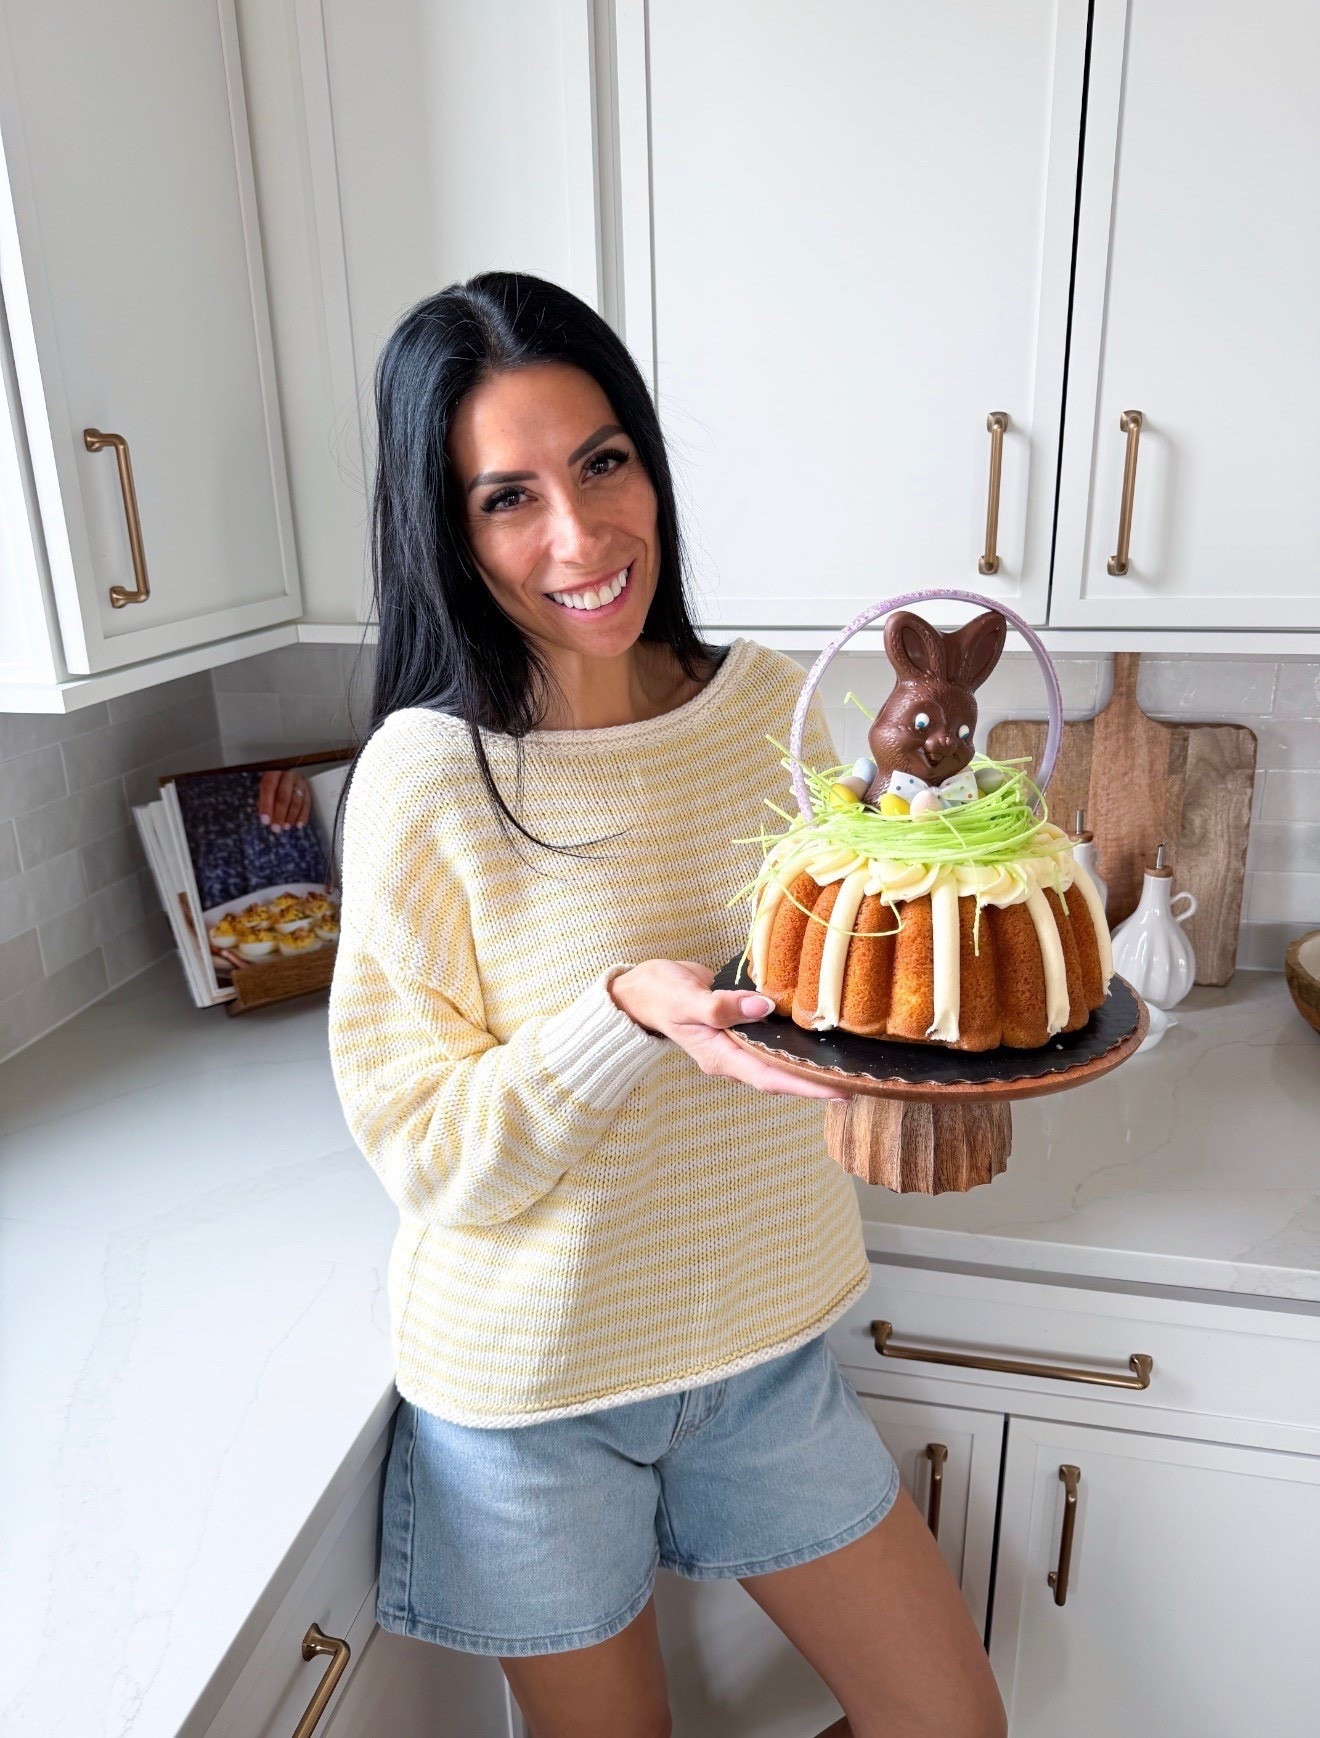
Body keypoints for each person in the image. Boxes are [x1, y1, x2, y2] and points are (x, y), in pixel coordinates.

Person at [326, 271, 1005, 1738]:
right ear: (443, 527)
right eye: (506, 497)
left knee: (954, 1719)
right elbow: (430, 1154)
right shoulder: (425, 777)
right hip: (532, 1400)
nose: (578, 536)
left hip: (763, 1352)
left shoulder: (765, 703)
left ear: (648, 460)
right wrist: (621, 1012)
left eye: (602, 463)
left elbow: (826, 981)